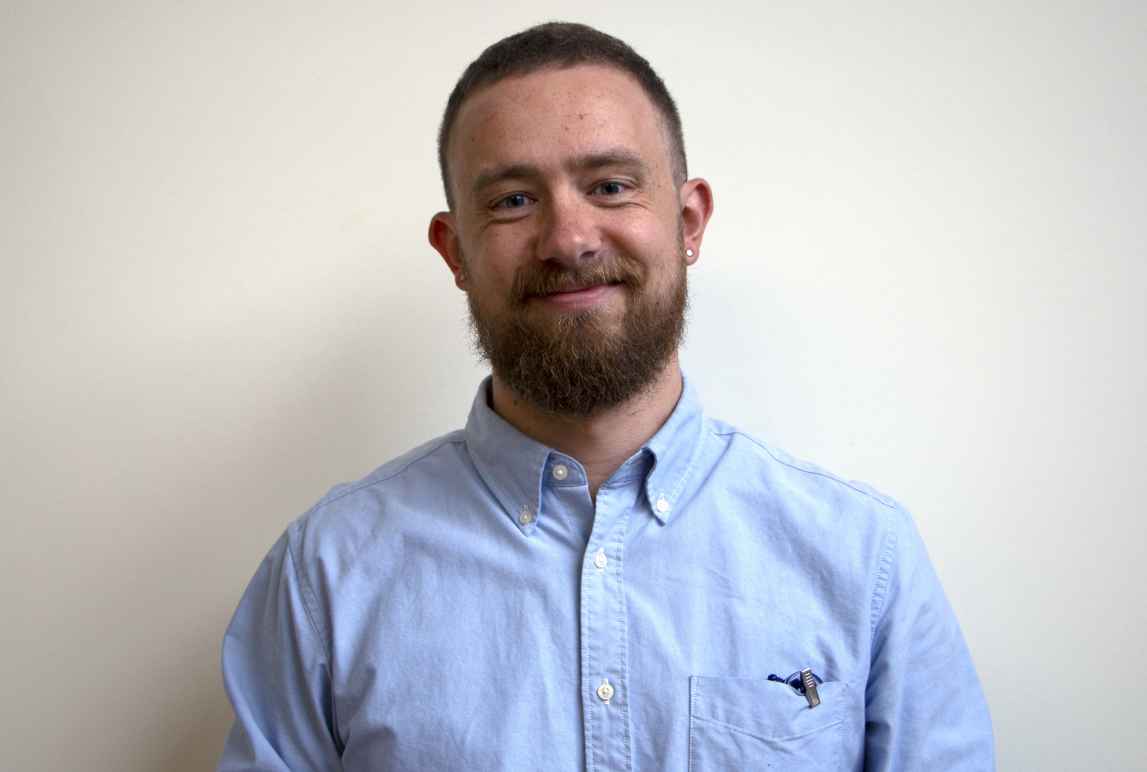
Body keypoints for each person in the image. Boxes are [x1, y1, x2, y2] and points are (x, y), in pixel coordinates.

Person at [216, 21, 995, 771]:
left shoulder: (863, 560)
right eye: (513, 200)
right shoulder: (324, 574)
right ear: (455, 252)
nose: (569, 238)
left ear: (687, 221)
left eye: (611, 185)